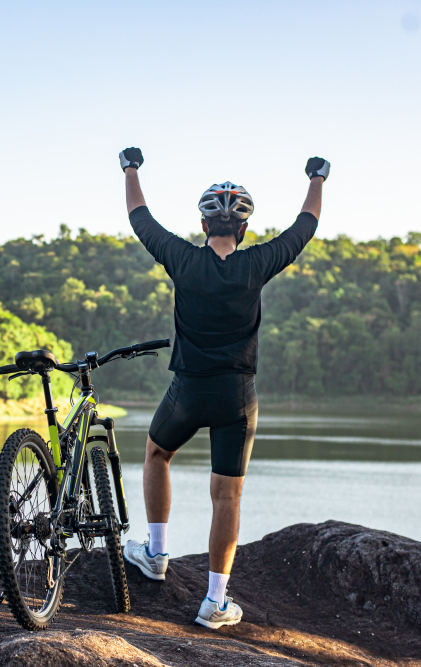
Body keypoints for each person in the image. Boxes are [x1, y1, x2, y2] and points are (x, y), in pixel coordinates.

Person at [117, 147, 329, 629]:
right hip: (237, 398)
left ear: (203, 226)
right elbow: (304, 227)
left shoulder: (183, 259)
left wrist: (131, 168)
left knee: (156, 453)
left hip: (187, 393)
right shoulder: (257, 264)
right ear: (244, 230)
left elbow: (139, 217)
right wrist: (317, 178)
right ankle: (215, 602)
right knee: (227, 496)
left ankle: (155, 553)